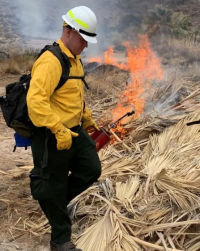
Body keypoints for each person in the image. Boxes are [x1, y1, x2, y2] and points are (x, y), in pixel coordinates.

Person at [27, 6, 101, 251]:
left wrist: (87, 118)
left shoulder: (75, 58)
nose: (86, 46)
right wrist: (57, 129)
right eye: (84, 39)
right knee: (51, 183)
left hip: (74, 130)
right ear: (68, 31)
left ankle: (55, 202)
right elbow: (35, 102)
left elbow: (74, 95)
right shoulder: (50, 61)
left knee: (91, 168)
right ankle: (60, 240)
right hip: (51, 134)